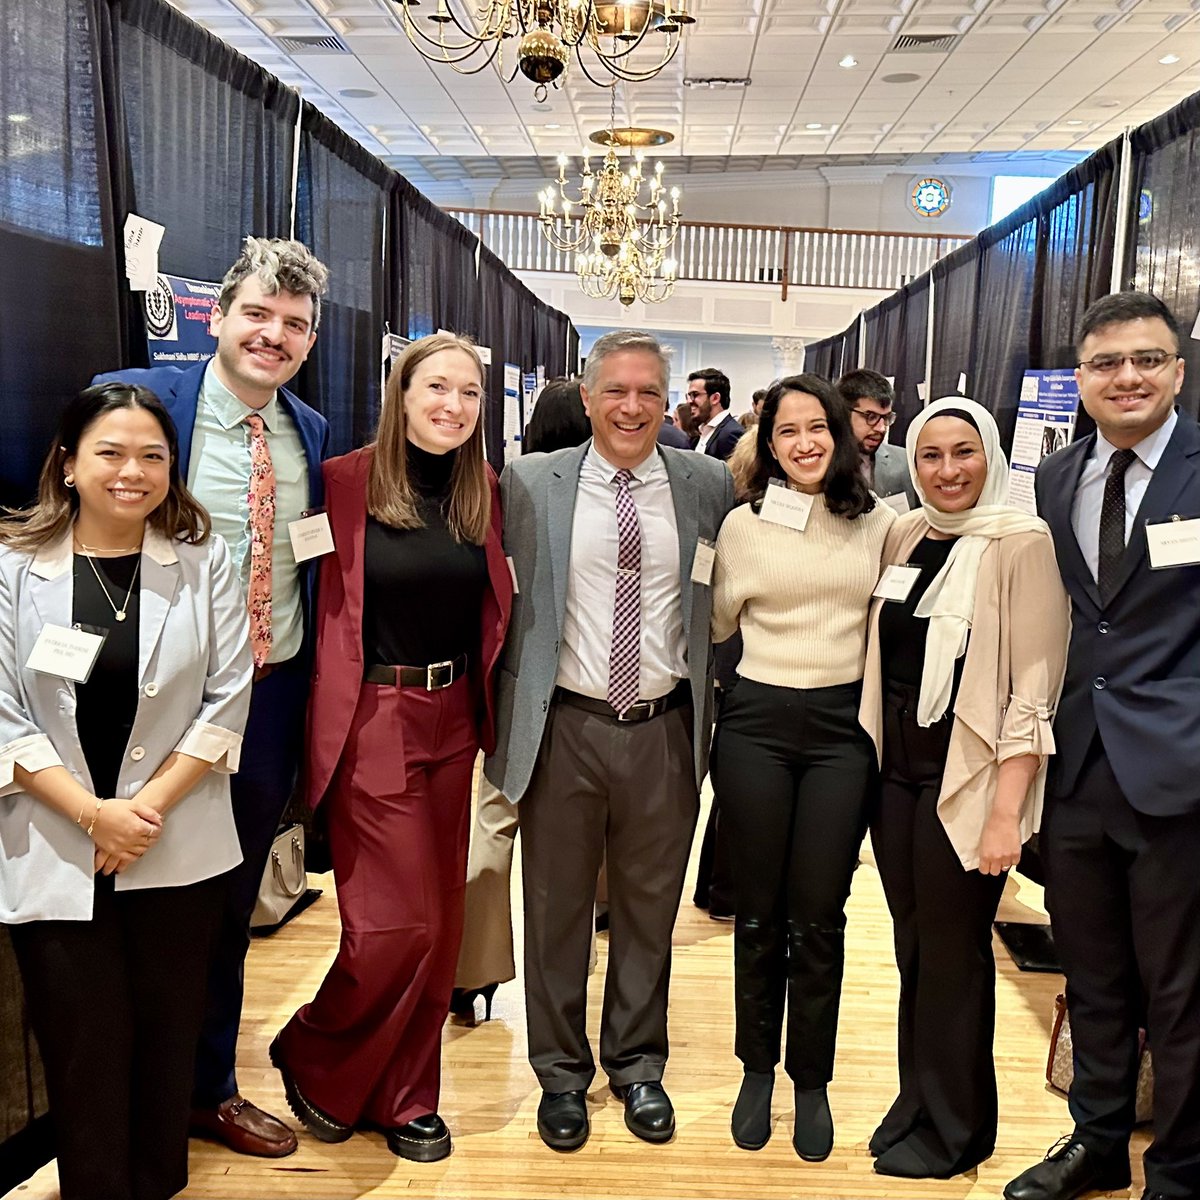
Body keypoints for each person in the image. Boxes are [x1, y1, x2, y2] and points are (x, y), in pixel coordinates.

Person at [93, 236, 329, 1158]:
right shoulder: (145, 403)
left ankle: (206, 1088)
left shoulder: (307, 429)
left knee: (226, 904)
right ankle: (118, 1088)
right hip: (154, 703)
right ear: (219, 317)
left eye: (294, 325)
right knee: (130, 894)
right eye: (259, 315)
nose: (274, 336)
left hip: (268, 701)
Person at [0, 382, 252, 1200]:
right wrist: (93, 816)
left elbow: (228, 698)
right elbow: (3, 714)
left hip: (175, 845)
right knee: (82, 1043)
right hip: (55, 842)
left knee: (166, 1037)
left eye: (153, 455)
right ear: (68, 464)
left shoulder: (207, 562)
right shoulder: (11, 569)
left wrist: (140, 815)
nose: (132, 472)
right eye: (110, 452)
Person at [486, 329, 734, 1152]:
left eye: (649, 393)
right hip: (565, 725)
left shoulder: (705, 484)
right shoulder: (528, 485)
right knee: (554, 908)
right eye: (616, 391)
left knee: (649, 909)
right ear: (587, 398)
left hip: (664, 729)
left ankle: (636, 1063)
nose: (632, 407)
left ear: (668, 404)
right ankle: (560, 1071)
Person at [268, 334, 511, 1163]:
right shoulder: (342, 483)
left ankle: (408, 1098)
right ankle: (314, 1048)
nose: (452, 405)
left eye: (469, 393)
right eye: (435, 387)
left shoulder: (486, 491)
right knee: (391, 926)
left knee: (439, 926)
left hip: (455, 722)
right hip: (374, 715)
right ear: (401, 395)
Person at [1007, 290, 1200, 1200]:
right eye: (1107, 363)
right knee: (1092, 977)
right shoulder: (1058, 476)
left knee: (1182, 992)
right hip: (1077, 767)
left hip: (1181, 775)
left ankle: (1181, 1169)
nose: (1128, 377)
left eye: (1148, 359)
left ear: (1177, 370)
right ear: (1079, 379)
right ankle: (1098, 1141)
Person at [859, 397, 1069, 1180]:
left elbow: (1034, 692)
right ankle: (917, 1098)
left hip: (970, 782)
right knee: (914, 948)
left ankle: (958, 1129)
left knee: (954, 956)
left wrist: (1007, 814)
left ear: (991, 458)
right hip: (898, 778)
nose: (948, 472)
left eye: (963, 453)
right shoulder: (909, 533)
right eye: (931, 457)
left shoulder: (1024, 544)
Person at [710, 373, 895, 1161]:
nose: (806, 443)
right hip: (754, 721)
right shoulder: (742, 525)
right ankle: (757, 1067)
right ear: (768, 442)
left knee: (820, 912)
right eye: (788, 431)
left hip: (841, 731)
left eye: (818, 427)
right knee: (759, 910)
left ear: (843, 433)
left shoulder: (883, 524)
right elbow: (719, 620)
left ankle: (810, 1078)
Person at [452, 376, 591, 1021]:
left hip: (508, 684)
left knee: (492, 823)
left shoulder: (505, 489)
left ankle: (471, 972)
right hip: (569, 692)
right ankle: (577, 950)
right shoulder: (529, 492)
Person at [836, 369, 917, 509]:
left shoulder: (905, 462)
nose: (881, 428)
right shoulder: (821, 462)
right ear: (842, 413)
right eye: (871, 417)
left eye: (886, 418)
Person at [688, 368, 744, 460]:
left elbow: (733, 473)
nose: (689, 401)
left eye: (695, 394)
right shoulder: (699, 433)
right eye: (689, 396)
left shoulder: (732, 434)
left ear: (715, 398)